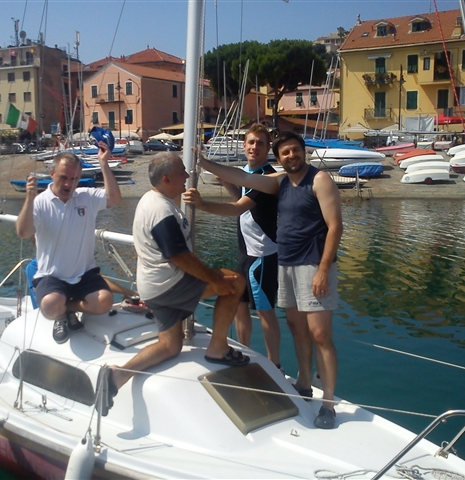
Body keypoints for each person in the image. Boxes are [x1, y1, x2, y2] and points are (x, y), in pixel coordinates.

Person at [198, 131, 343, 429]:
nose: (291, 156)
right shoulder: (278, 183)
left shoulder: (319, 180)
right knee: (295, 327)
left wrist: (324, 269)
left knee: (319, 335)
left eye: (295, 150)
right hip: (286, 263)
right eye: (285, 153)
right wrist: (202, 162)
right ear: (278, 159)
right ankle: (303, 383)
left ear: (304, 152)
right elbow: (240, 177)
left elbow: (335, 227)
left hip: (312, 263)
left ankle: (328, 402)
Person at [104, 152, 247, 415]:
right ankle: (217, 349)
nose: (188, 175)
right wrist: (215, 278)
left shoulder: (152, 199)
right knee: (235, 282)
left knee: (170, 345)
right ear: (167, 179)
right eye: (183, 172)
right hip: (169, 284)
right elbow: (178, 256)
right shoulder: (161, 210)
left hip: (152, 287)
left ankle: (117, 376)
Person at [183, 124, 281, 368]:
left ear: (268, 148)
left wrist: (203, 205)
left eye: (260, 142)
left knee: (265, 311)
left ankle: (275, 364)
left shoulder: (266, 177)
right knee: (240, 306)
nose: (254, 147)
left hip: (262, 255)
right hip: (245, 252)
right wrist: (227, 184)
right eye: (250, 142)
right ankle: (244, 352)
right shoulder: (247, 171)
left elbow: (239, 208)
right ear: (244, 146)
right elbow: (242, 198)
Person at [15, 143, 121, 344]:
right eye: (64, 177)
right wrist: (29, 198)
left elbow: (114, 198)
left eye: (74, 179)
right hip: (52, 276)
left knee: (105, 302)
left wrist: (103, 164)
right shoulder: (40, 202)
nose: (69, 184)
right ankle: (61, 315)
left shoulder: (86, 197)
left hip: (84, 274)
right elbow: (23, 232)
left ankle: (69, 308)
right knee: (49, 306)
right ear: (52, 173)